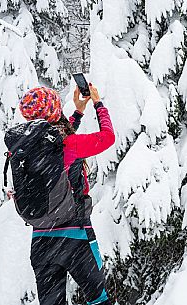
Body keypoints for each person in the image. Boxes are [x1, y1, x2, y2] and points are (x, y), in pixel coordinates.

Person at [18, 84, 115, 305]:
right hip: (75, 239)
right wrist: (98, 104)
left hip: (41, 242)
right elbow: (107, 137)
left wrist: (78, 113)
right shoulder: (68, 145)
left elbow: (56, 143)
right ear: (55, 110)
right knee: (98, 299)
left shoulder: (25, 149)